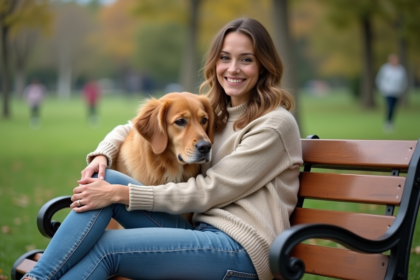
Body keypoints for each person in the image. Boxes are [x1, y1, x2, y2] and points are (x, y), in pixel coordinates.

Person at [22, 18, 302, 280]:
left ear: (264, 65)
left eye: (247, 60)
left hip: (242, 251)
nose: (233, 69)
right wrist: (102, 154)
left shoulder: (274, 125)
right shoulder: (216, 114)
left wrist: (124, 194)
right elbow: (131, 128)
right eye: (225, 58)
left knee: (106, 246)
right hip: (199, 233)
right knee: (104, 180)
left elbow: (209, 190)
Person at [375, 53, 408, 133]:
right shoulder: (385, 68)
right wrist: (382, 88)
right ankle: (388, 123)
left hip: (397, 92)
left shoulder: (401, 69)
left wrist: (402, 89)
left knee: (393, 108)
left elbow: (404, 81)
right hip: (388, 91)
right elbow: (379, 79)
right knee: (390, 106)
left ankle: (390, 122)